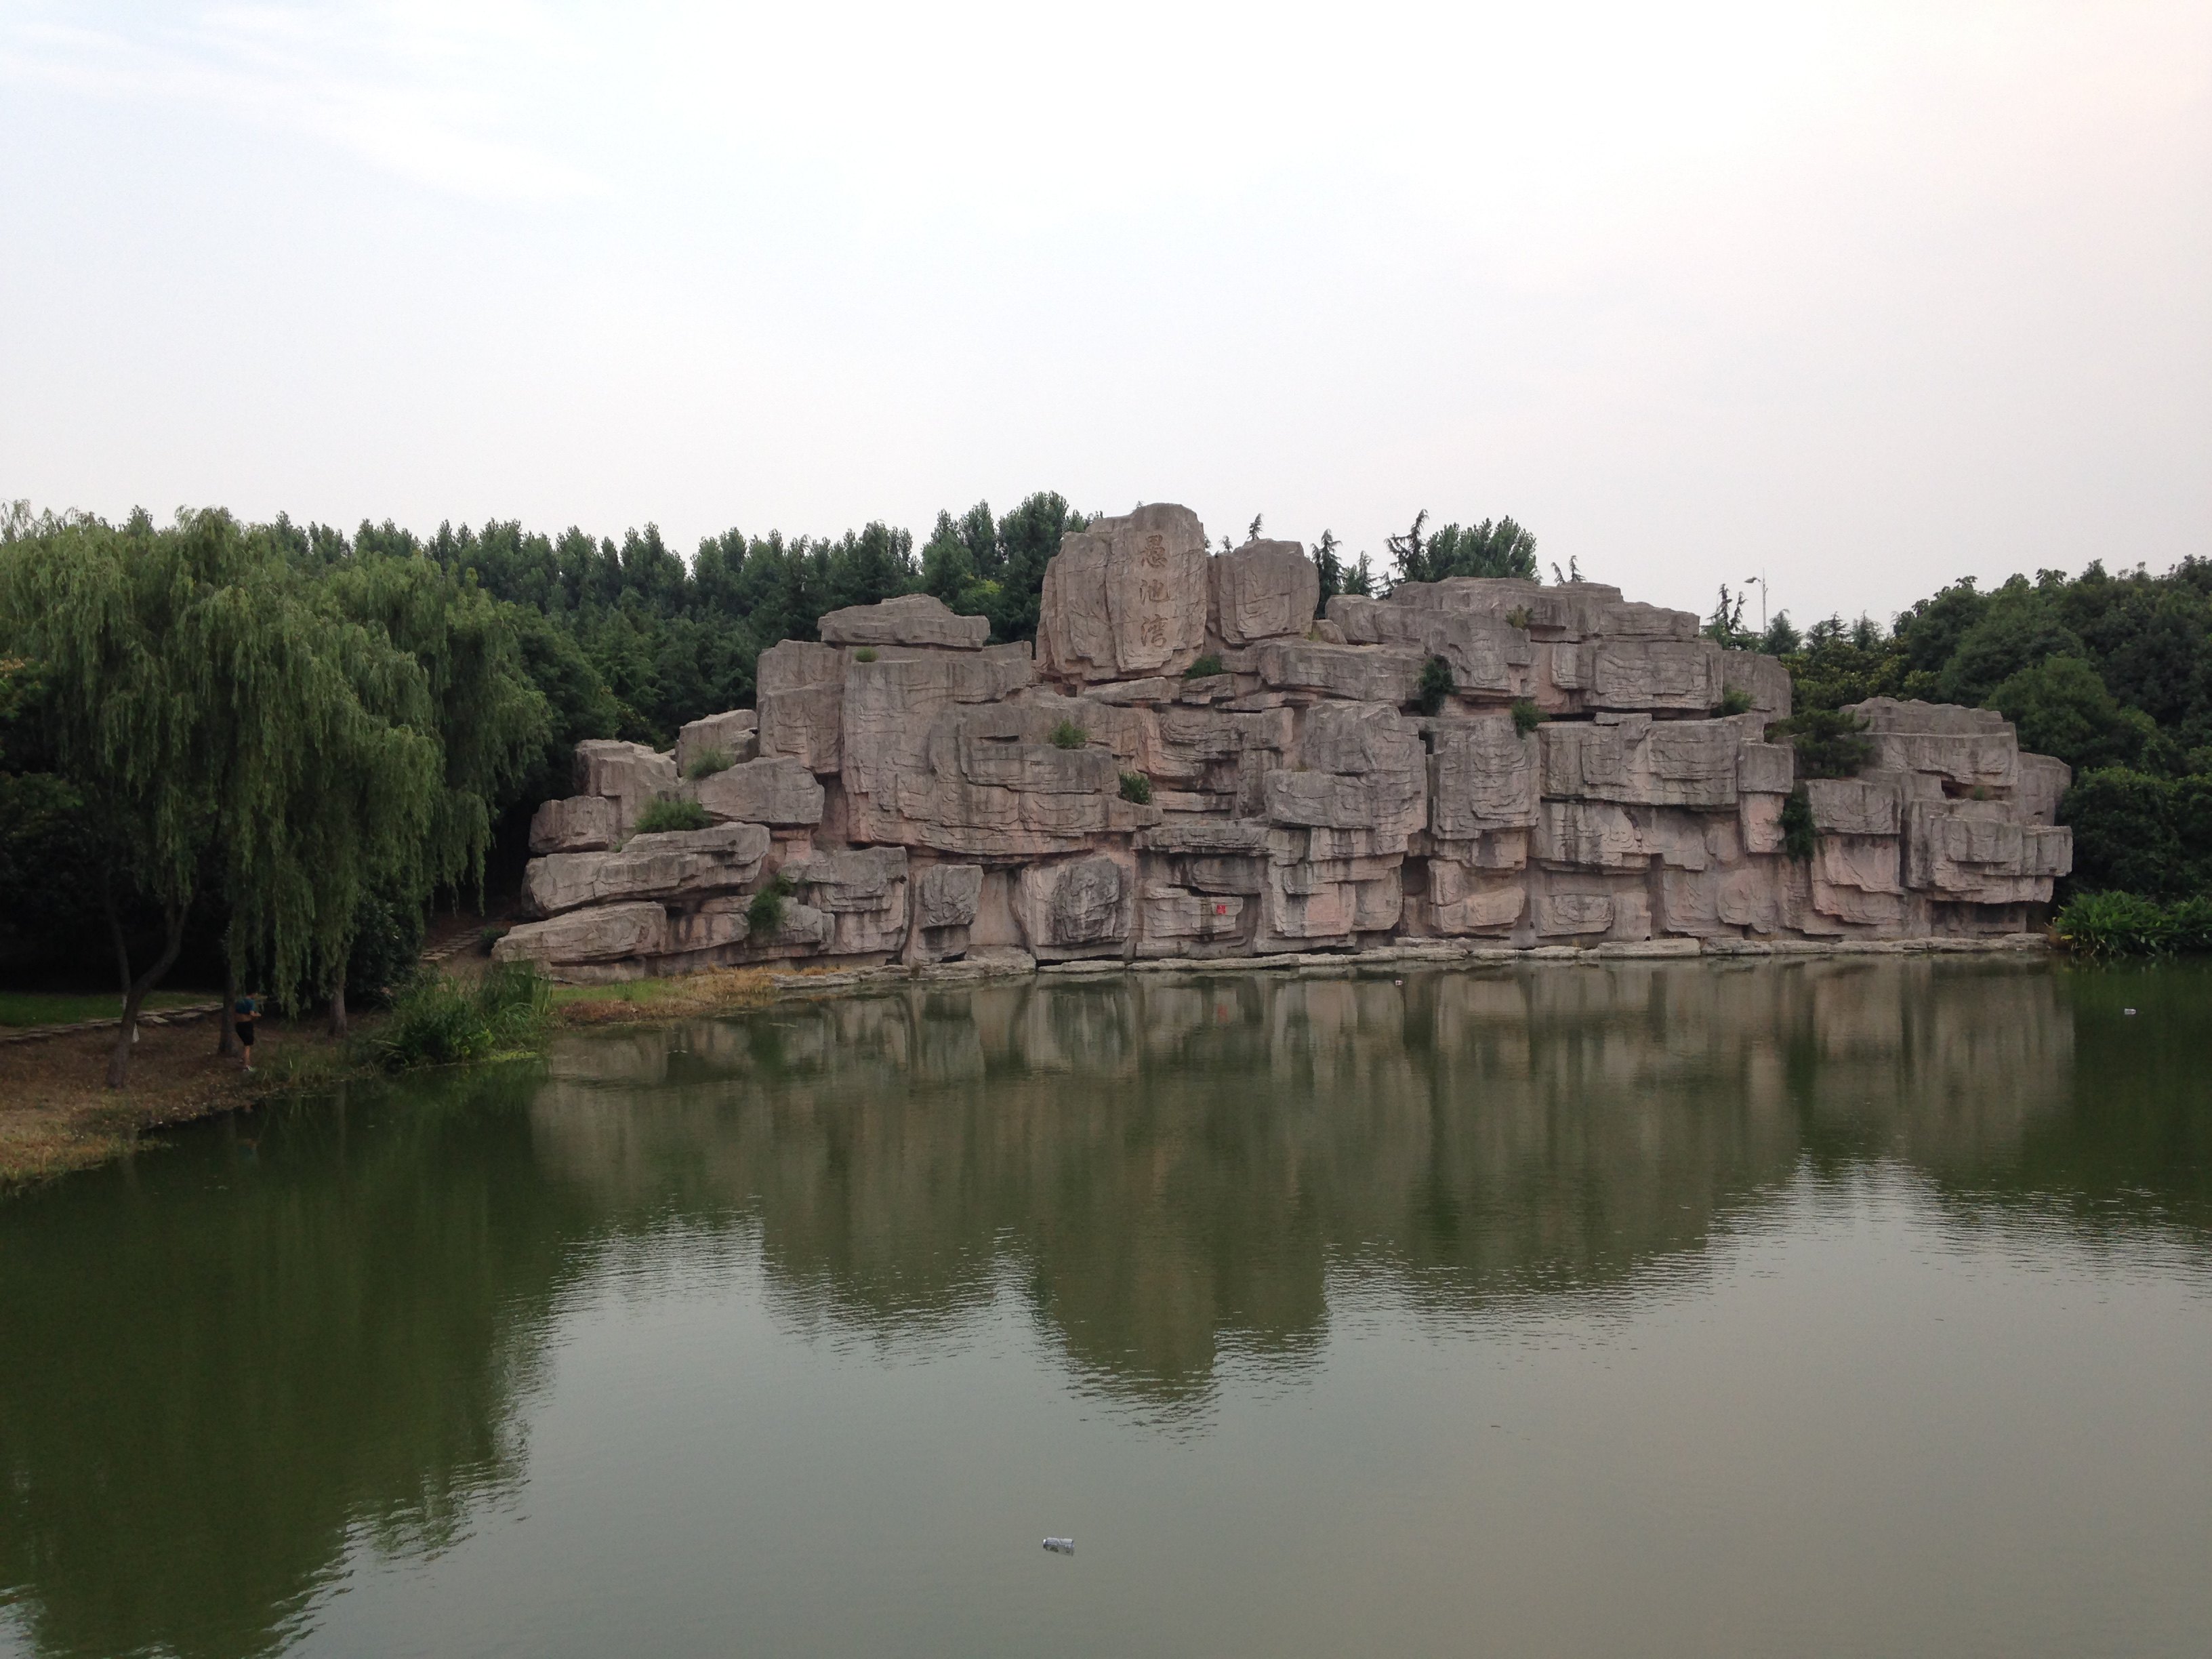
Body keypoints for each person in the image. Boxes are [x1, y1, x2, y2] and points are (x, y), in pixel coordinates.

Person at [234, 991, 259, 1071]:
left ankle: (243, 1058)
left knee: (245, 1043)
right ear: (252, 993)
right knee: (248, 1046)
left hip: (238, 1025)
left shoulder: (239, 1001)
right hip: (247, 1024)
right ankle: (246, 1066)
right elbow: (252, 1014)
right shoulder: (251, 1002)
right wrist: (257, 1015)